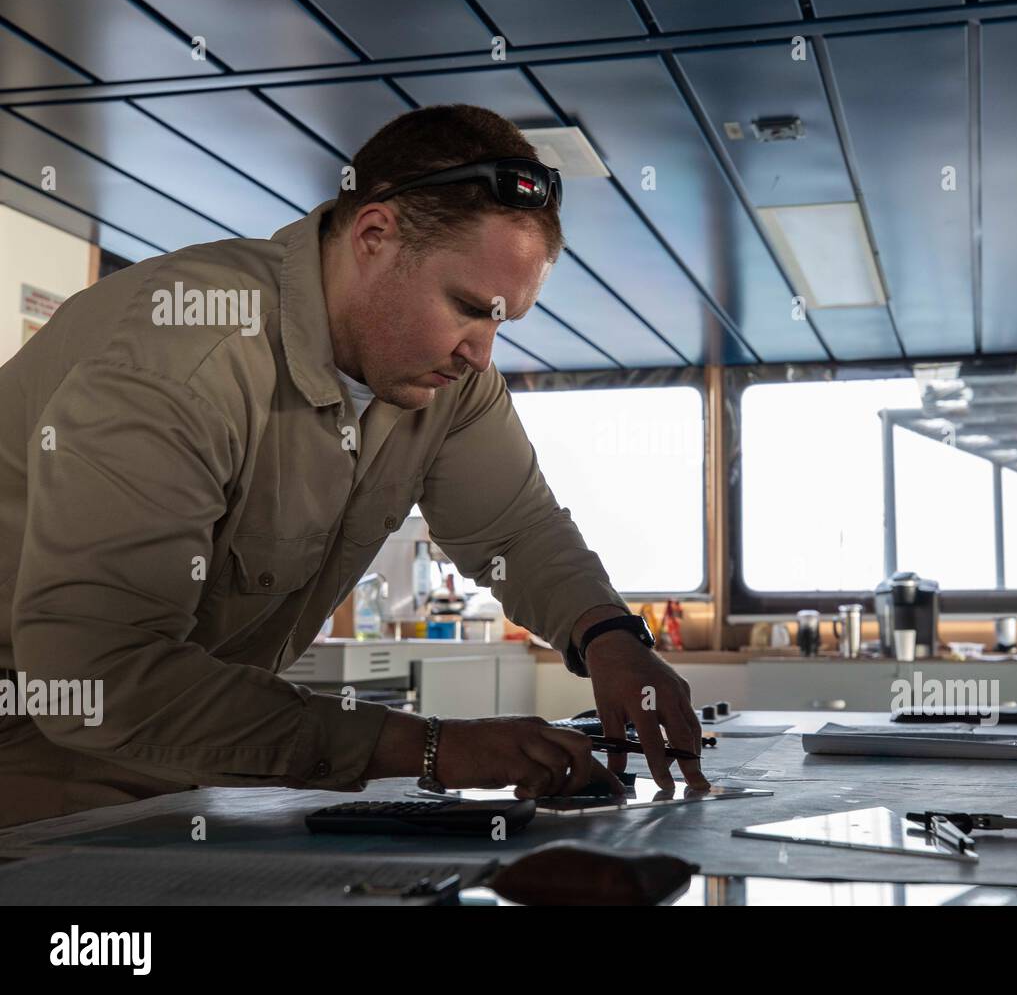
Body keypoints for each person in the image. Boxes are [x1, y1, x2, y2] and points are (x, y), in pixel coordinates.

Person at [0, 104, 708, 827]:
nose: (481, 352)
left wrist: (612, 640)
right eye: (467, 306)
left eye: (501, 318)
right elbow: (98, 677)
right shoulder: (185, 355)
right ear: (375, 234)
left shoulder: (445, 381)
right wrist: (432, 749)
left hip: (160, 755)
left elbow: (515, 528)